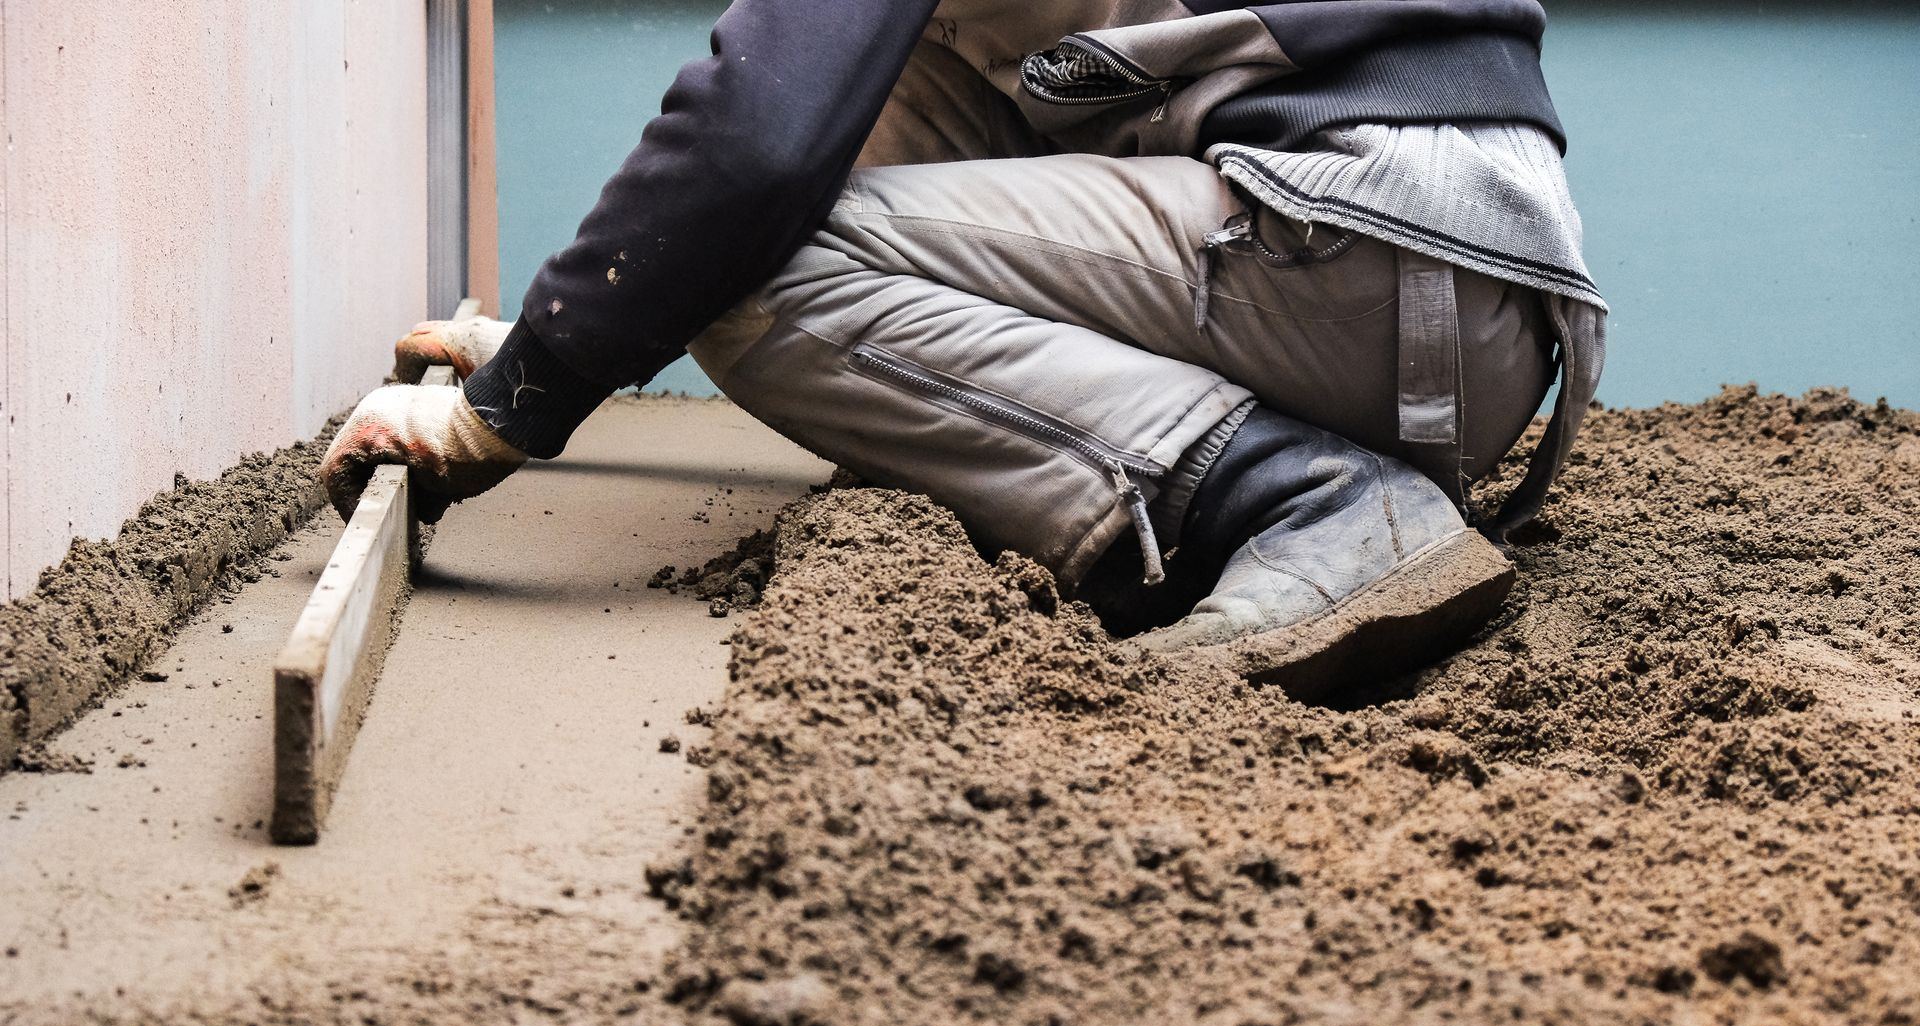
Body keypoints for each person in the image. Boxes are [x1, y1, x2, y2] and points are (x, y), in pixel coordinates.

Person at [319, 0, 1605, 695]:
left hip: (1350, 236)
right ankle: (1304, 463)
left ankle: (1300, 496)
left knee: (760, 272)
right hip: (1483, 306)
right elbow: (839, 130)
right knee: (922, 66)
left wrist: (515, 398)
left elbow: (757, 144)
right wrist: (588, 322)